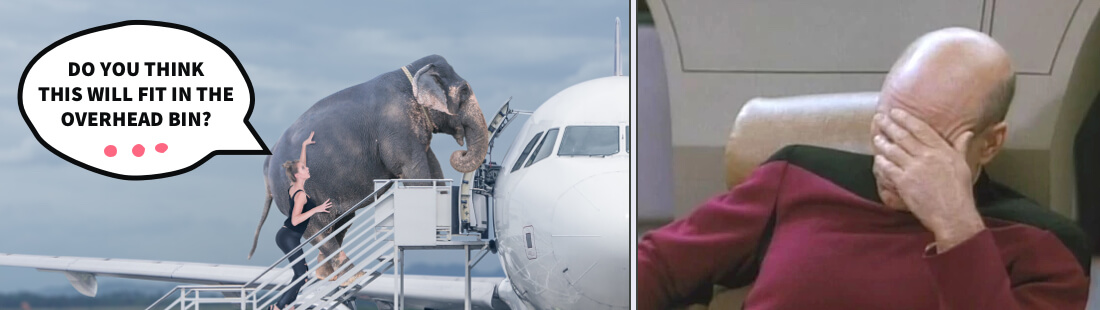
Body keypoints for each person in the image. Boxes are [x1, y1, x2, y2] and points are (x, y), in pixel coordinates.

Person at [637, 28, 1091, 309]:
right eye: (888, 127)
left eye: (925, 142)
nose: (893, 160)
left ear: (989, 144)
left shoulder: (1045, 247)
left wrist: (956, 225)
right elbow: (656, 265)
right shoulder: (798, 175)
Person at [273, 131, 333, 310]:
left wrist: (305, 146)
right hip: (289, 236)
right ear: (299, 175)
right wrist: (317, 209)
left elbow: (301, 165)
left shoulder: (296, 186)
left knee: (302, 274)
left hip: (288, 235)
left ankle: (286, 305)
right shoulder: (300, 195)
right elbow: (295, 219)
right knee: (302, 274)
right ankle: (279, 307)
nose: (308, 169)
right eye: (304, 169)